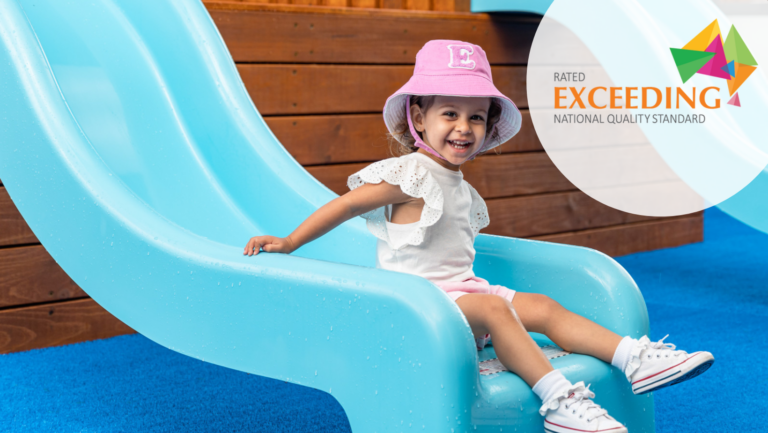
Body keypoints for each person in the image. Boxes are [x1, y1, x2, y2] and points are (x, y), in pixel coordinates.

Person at [243, 39, 714, 432]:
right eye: (449, 113)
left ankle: (633, 359)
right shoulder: (410, 174)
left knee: (542, 307)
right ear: (419, 118)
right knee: (494, 308)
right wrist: (290, 242)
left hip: (464, 297)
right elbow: (346, 205)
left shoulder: (460, 185)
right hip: (421, 308)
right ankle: (559, 402)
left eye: (476, 117)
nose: (464, 128)